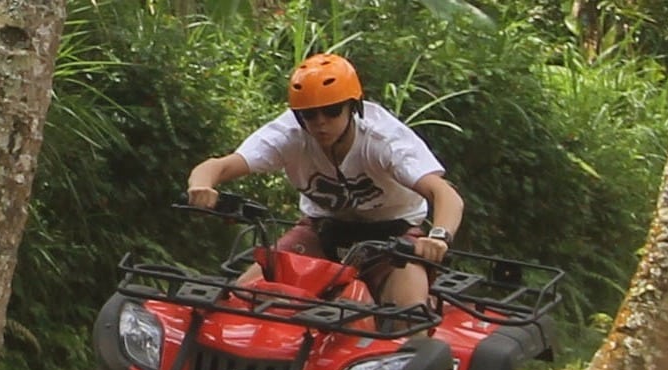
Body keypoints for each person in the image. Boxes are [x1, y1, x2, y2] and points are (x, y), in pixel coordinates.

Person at [187, 53, 463, 315]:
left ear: (353, 106)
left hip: (394, 238)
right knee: (241, 298)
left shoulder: (383, 141)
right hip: (322, 231)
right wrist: (202, 186)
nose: (320, 123)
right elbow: (219, 165)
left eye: (331, 111)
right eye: (309, 114)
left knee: (410, 314)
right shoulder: (289, 135)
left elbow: (444, 194)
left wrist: (438, 237)